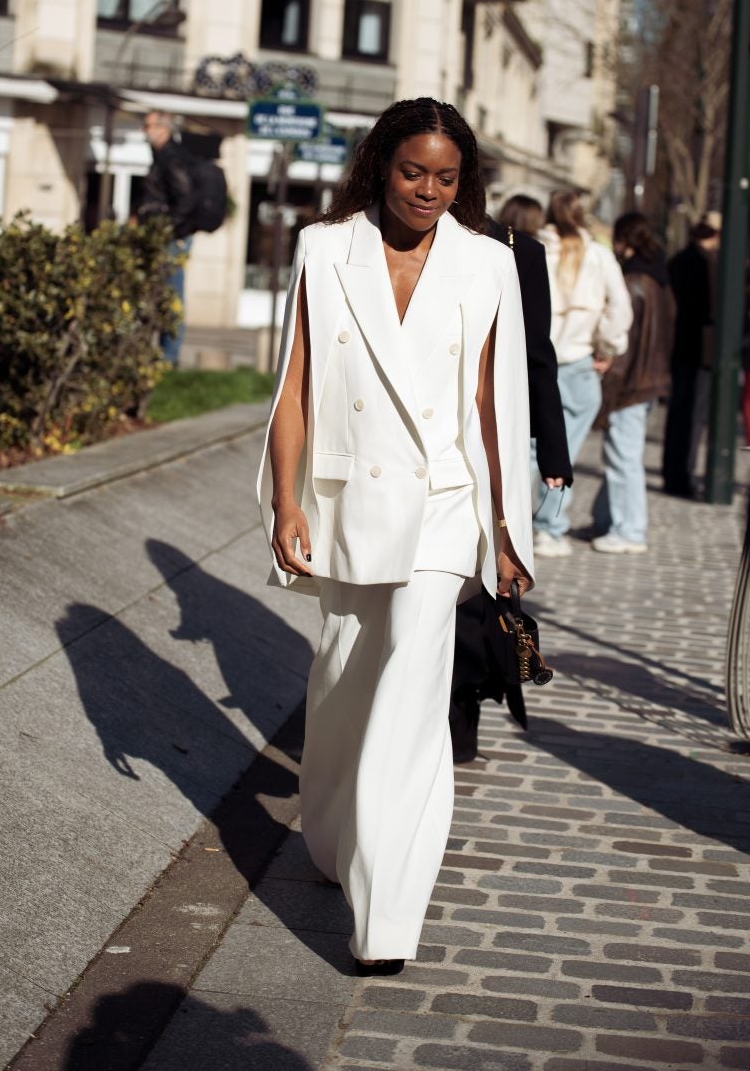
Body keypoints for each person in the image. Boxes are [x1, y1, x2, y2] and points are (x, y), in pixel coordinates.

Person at [257, 97, 534, 976]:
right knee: (345, 672)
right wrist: (285, 503)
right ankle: (333, 833)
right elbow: (295, 384)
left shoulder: (489, 263)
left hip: (444, 506)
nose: (428, 191)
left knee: (414, 695)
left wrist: (505, 525)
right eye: (414, 172)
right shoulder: (325, 248)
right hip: (346, 500)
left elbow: (497, 402)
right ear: (381, 165)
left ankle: (387, 923)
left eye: (447, 178)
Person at [448, 207, 573, 763]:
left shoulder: (520, 250)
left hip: (496, 435)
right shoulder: (395, 233)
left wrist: (553, 448)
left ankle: (460, 714)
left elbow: (536, 354)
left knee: (478, 584)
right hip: (419, 440)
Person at [533, 190, 633, 556]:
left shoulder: (534, 248)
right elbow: (619, 310)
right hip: (577, 362)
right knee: (564, 450)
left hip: (537, 361)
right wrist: (608, 347)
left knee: (527, 451)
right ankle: (550, 528)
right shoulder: (599, 256)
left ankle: (514, 524)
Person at [590, 213, 675, 553]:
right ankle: (608, 519)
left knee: (624, 457)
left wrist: (609, 393)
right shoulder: (659, 280)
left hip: (634, 383)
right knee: (622, 455)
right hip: (652, 379)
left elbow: (624, 347)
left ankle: (630, 530)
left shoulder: (635, 282)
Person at [662, 221, 720, 497]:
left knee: (680, 413)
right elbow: (710, 308)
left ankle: (674, 473)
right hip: (699, 350)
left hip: (680, 346)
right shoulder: (705, 263)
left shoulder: (679, 260)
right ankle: (681, 476)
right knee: (692, 416)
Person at [138, 110, 198, 366]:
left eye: (148, 125)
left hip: (173, 238)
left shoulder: (171, 158)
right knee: (161, 292)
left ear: (163, 128)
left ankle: (169, 356)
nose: (144, 130)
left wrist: (168, 228)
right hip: (168, 235)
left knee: (172, 293)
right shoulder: (162, 156)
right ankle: (161, 352)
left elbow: (185, 199)